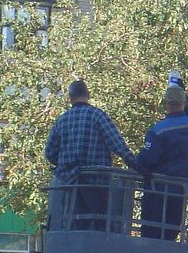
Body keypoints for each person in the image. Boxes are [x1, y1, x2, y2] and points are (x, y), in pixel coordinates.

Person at [45, 80, 144, 231]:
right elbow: (116, 144)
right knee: (100, 224)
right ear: (88, 94)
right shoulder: (97, 116)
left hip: (70, 183)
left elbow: (50, 153)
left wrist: (65, 164)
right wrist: (135, 164)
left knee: (75, 226)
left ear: (70, 97)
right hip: (96, 181)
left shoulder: (62, 120)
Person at [137, 78, 188, 240]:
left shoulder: (158, 130)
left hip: (156, 192)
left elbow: (147, 160)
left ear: (166, 102)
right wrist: (178, 85)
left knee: (150, 238)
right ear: (183, 101)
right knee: (171, 237)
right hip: (180, 192)